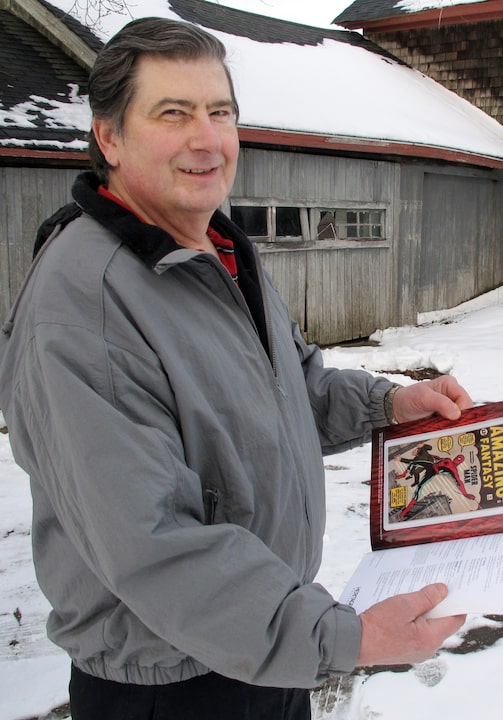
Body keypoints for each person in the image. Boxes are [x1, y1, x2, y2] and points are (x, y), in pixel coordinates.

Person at [0, 17, 472, 720]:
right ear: (110, 138)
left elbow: (291, 388)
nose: (206, 138)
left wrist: (388, 406)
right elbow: (154, 540)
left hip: (260, 645)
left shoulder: (214, 250)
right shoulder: (87, 304)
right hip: (174, 686)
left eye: (220, 112)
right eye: (173, 113)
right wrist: (339, 635)